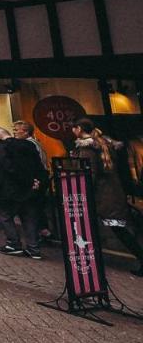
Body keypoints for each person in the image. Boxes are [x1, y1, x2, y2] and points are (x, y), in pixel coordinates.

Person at [71, 118, 143, 276]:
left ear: (79, 129)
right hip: (113, 192)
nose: (72, 131)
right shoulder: (104, 144)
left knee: (116, 229)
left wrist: (81, 190)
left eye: (74, 128)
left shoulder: (88, 148)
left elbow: (89, 173)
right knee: (118, 228)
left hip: (101, 194)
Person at [0, 127, 47, 258]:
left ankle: (13, 244)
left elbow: (9, 168)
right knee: (29, 218)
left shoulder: (0, 149)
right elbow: (39, 165)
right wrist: (37, 181)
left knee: (5, 216)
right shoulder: (28, 146)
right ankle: (33, 248)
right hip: (30, 189)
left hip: (9, 191)